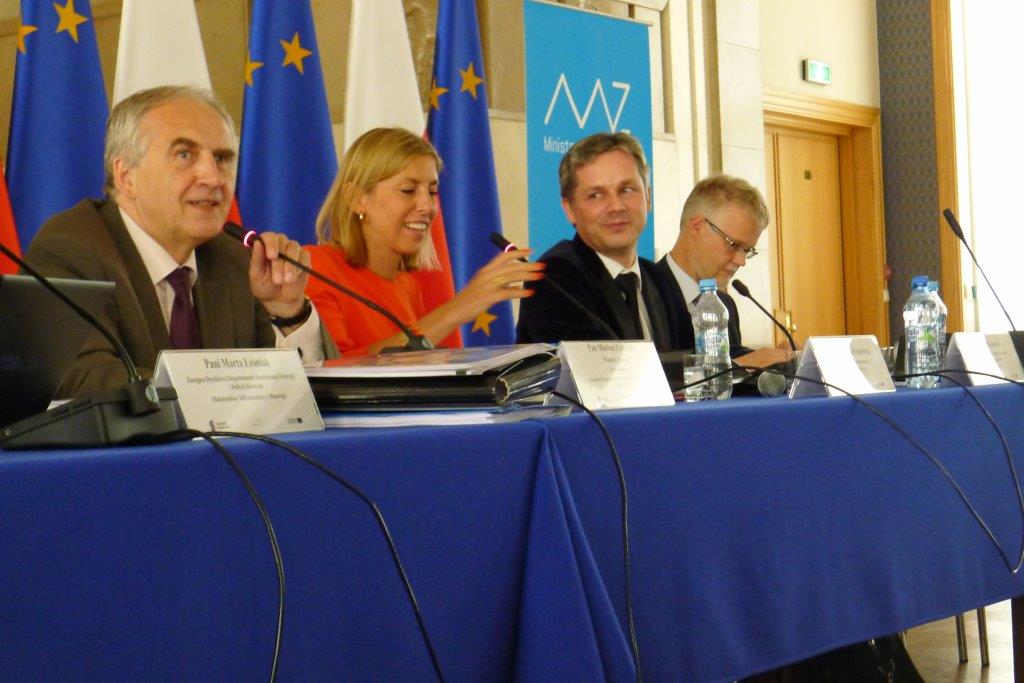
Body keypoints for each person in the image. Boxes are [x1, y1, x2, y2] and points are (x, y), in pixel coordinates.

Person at [24, 85, 336, 398]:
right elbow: (86, 382)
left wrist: (288, 314)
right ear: (126, 176)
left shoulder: (235, 258)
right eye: (184, 155)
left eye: (222, 158)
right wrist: (229, 394)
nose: (213, 178)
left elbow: (308, 401)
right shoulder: (69, 251)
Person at [305, 127, 543, 355]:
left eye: (432, 192)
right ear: (356, 198)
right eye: (408, 190)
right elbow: (330, 370)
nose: (428, 206)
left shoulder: (406, 284)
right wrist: (457, 309)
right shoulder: (316, 268)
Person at [515, 132, 685, 351]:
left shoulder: (660, 280)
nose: (616, 206)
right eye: (596, 195)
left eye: (627, 190)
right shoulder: (554, 278)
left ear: (648, 198)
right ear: (570, 209)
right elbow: (588, 368)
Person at [658, 174, 793, 368]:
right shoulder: (645, 291)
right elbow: (649, 373)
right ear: (697, 227)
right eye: (734, 245)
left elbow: (732, 359)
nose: (741, 261)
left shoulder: (724, 304)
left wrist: (776, 359)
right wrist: (737, 365)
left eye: (747, 250)